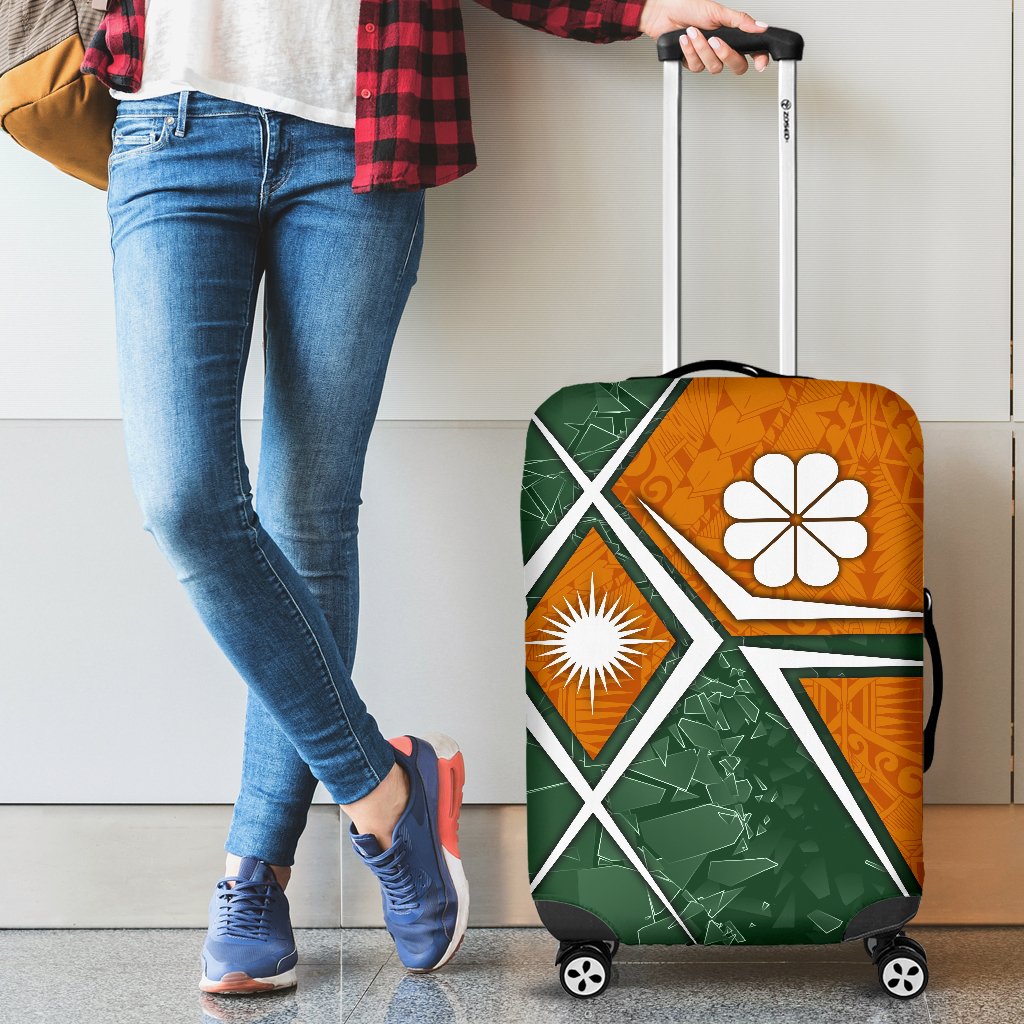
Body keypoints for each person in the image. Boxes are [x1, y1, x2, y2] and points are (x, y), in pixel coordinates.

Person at [84, 0, 769, 997]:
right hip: (170, 123)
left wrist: (637, 9)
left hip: (358, 134)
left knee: (308, 511)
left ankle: (255, 874)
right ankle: (383, 786)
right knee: (187, 499)